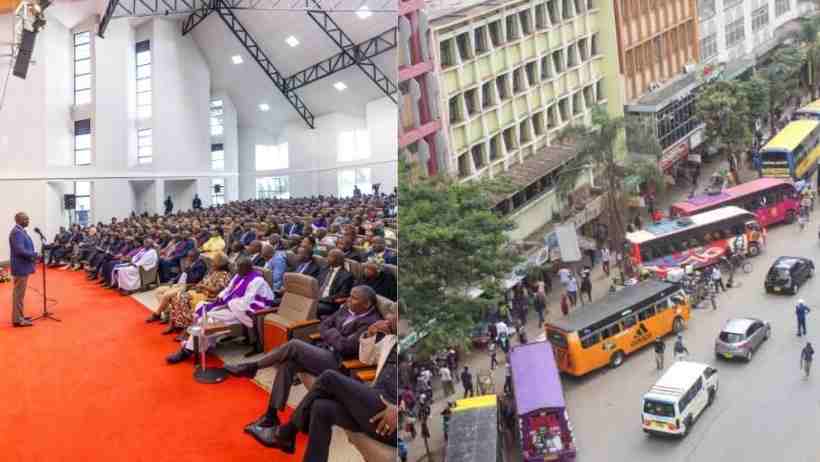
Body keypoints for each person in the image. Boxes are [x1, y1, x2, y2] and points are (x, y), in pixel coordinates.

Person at [245, 313, 398, 460]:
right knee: (321, 408)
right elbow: (366, 359)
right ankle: (286, 437)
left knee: (329, 377)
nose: (391, 317)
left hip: (391, 416)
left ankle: (286, 433)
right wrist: (370, 334)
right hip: (374, 402)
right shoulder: (391, 340)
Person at [166, 257, 275, 363]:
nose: (236, 270)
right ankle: (205, 343)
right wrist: (219, 299)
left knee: (208, 318)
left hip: (243, 313)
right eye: (237, 267)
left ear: (248, 268)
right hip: (233, 307)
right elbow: (228, 290)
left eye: (239, 268)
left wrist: (227, 304)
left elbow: (246, 303)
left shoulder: (257, 281)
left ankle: (187, 351)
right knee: (201, 305)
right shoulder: (239, 275)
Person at [146, 249, 207, 323]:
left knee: (166, 295)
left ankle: (157, 314)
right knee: (158, 291)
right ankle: (167, 313)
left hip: (187, 286)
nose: (188, 258)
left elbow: (194, 279)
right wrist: (173, 280)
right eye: (188, 256)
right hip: (178, 284)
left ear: (197, 256)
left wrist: (189, 268)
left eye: (191, 256)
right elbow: (182, 274)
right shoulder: (191, 262)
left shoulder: (201, 265)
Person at [9, 212, 36, 327]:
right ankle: (18, 320)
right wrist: (33, 254)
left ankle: (19, 316)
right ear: (19, 220)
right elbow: (20, 250)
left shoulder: (19, 231)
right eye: (26, 219)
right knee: (18, 294)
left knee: (19, 294)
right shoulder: (17, 233)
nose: (28, 221)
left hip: (22, 266)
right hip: (20, 267)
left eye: (28, 218)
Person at [317, 249, 355, 317]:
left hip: (329, 303)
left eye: (330, 257)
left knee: (312, 307)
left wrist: (322, 299)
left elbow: (342, 295)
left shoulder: (347, 276)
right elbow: (316, 284)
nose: (326, 258)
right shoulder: (324, 269)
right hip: (316, 298)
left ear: (338, 260)